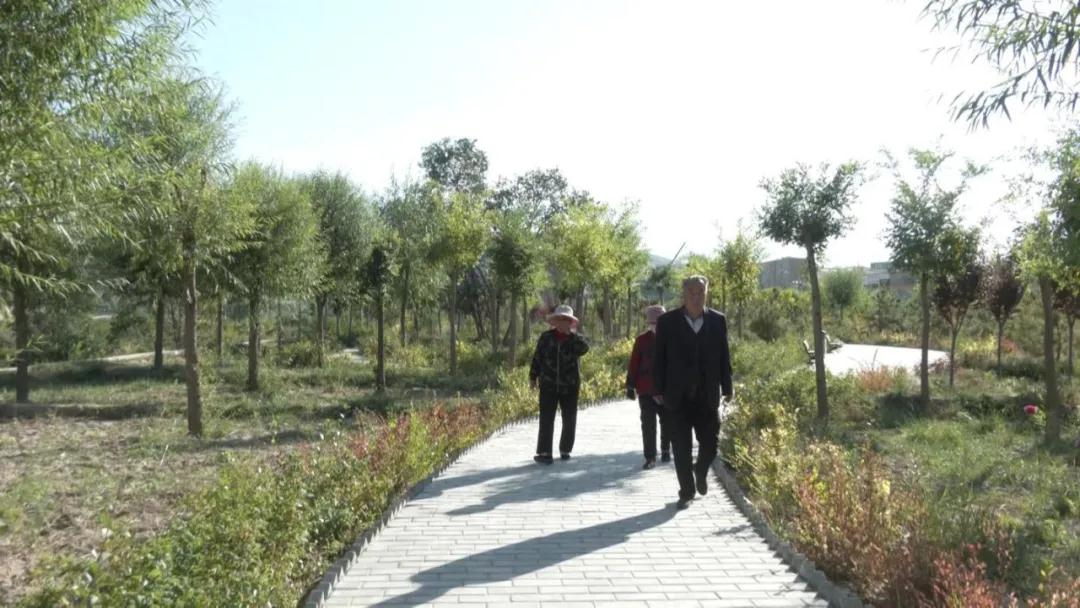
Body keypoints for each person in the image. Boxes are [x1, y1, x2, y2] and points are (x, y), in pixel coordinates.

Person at [652, 276, 733, 509]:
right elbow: (659, 358)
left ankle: (701, 469)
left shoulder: (717, 320)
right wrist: (657, 388)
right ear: (684, 294)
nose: (696, 297)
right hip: (677, 396)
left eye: (701, 292)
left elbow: (724, 355)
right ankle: (686, 492)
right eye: (692, 293)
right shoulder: (667, 322)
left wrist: (727, 386)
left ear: (706, 293)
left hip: (707, 395)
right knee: (681, 448)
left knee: (711, 443)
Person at [529, 304, 590, 464]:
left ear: (570, 322)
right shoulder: (546, 338)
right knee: (546, 418)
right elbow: (537, 357)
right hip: (548, 384)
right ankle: (545, 452)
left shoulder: (575, 340)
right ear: (555, 321)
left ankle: (565, 449)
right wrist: (533, 377)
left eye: (566, 319)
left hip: (570, 385)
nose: (563, 322)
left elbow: (585, 348)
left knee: (569, 418)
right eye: (560, 319)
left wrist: (571, 335)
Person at [626, 304, 670, 469]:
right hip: (645, 389)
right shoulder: (641, 340)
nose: (656, 327)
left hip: (666, 389)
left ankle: (665, 449)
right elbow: (634, 363)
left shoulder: (672, 339)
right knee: (648, 424)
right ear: (649, 324)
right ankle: (650, 457)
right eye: (653, 324)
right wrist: (630, 386)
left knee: (667, 421)